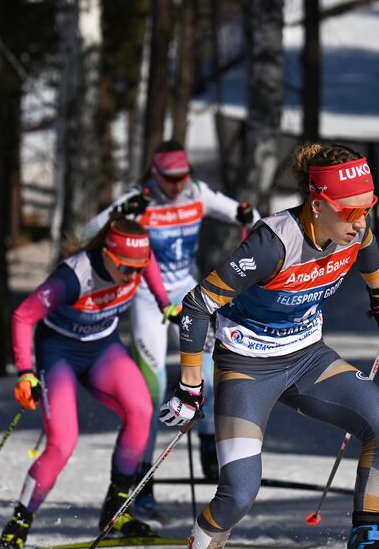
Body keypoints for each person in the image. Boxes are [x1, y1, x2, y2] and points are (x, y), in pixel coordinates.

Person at [142, 142, 379, 549]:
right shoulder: (272, 244)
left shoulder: (355, 226)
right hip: (246, 367)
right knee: (239, 491)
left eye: (369, 207)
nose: (360, 220)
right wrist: (191, 384)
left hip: (307, 357)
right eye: (349, 210)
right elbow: (195, 307)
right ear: (317, 203)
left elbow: (368, 252)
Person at [0, 217, 178, 549]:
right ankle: (18, 525)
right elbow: (22, 316)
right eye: (125, 267)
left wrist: (166, 303)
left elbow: (150, 271)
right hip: (59, 353)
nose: (132, 275)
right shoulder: (73, 276)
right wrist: (25, 373)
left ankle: (117, 511)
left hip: (102, 348)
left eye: (137, 268)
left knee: (141, 409)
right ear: (107, 254)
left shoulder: (137, 261)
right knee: (63, 443)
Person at [85, 140, 256, 509]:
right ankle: (142, 479)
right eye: (169, 178)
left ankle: (211, 456)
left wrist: (249, 222)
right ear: (155, 174)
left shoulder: (198, 193)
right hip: (147, 300)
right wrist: (117, 215)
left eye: (182, 176)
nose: (177, 185)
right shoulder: (140, 199)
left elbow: (248, 215)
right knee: (152, 388)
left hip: (186, 296)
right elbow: (86, 234)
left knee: (208, 378)